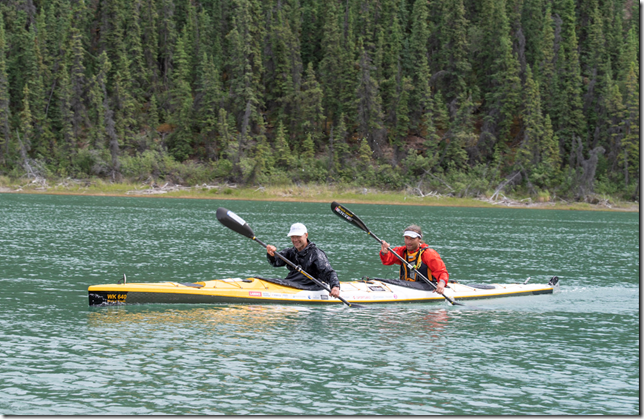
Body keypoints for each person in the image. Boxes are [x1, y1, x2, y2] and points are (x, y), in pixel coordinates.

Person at [266, 223, 341, 298]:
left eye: (298, 236)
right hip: (292, 282)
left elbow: (329, 272)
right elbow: (275, 262)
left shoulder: (316, 254)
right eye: (293, 237)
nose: (295, 240)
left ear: (306, 235)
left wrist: (335, 286)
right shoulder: (290, 252)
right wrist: (271, 254)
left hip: (310, 285)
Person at [379, 224, 449, 294]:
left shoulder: (429, 253)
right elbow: (387, 261)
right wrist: (384, 252)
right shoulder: (401, 251)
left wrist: (441, 284)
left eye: (412, 239)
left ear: (419, 239)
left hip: (426, 287)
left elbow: (442, 272)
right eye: (406, 238)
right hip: (405, 285)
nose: (408, 242)